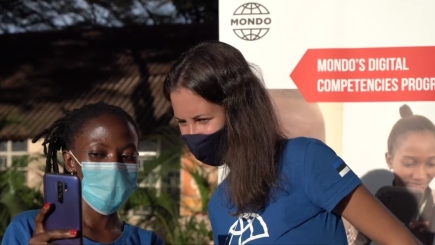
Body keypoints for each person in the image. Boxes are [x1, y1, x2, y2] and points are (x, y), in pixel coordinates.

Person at [163, 40, 421, 245]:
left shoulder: (306, 159)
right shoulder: (219, 204)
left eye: (202, 119)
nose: (192, 133)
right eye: (182, 122)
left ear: (239, 110)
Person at [1, 102, 164, 245]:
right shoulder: (29, 229)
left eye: (127, 156)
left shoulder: (148, 241)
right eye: (97, 154)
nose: (114, 164)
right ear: (71, 161)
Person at [351, 104, 435, 245]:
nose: (420, 175)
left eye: (431, 164)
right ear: (390, 160)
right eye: (409, 163)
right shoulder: (380, 202)